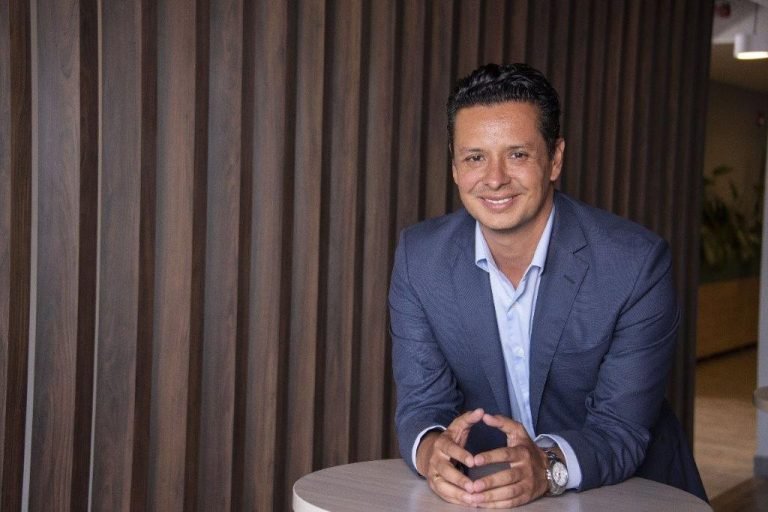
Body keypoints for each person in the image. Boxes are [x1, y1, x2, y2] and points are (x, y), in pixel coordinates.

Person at [389, 63, 706, 508]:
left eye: (517, 155)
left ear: (555, 159)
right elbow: (422, 404)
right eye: (475, 157)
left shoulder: (634, 264)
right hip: (494, 494)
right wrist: (431, 451)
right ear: (455, 168)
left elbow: (621, 428)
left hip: (632, 493)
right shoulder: (420, 259)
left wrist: (545, 466)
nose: (494, 178)